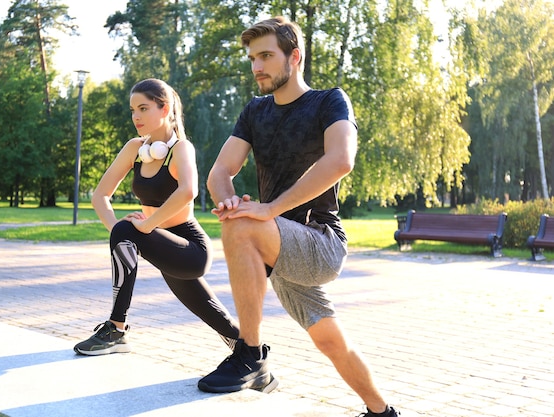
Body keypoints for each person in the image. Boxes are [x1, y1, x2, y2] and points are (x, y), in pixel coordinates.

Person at [197, 17, 400, 417]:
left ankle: (250, 355)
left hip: (320, 241)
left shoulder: (329, 101)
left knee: (243, 226)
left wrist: (268, 209)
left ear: (295, 57)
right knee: (330, 341)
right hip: (277, 247)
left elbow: (341, 159)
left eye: (267, 56)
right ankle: (382, 412)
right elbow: (220, 173)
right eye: (253, 58)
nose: (257, 66)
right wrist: (228, 202)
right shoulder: (255, 111)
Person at [74, 78, 239, 357]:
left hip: (190, 248)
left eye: (143, 108)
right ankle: (248, 349)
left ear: (164, 109)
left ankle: (116, 327)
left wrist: (144, 227)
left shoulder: (181, 149)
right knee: (211, 312)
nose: (136, 116)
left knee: (128, 230)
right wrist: (119, 233)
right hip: (160, 243)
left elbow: (188, 191)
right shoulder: (134, 149)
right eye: (132, 110)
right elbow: (100, 195)